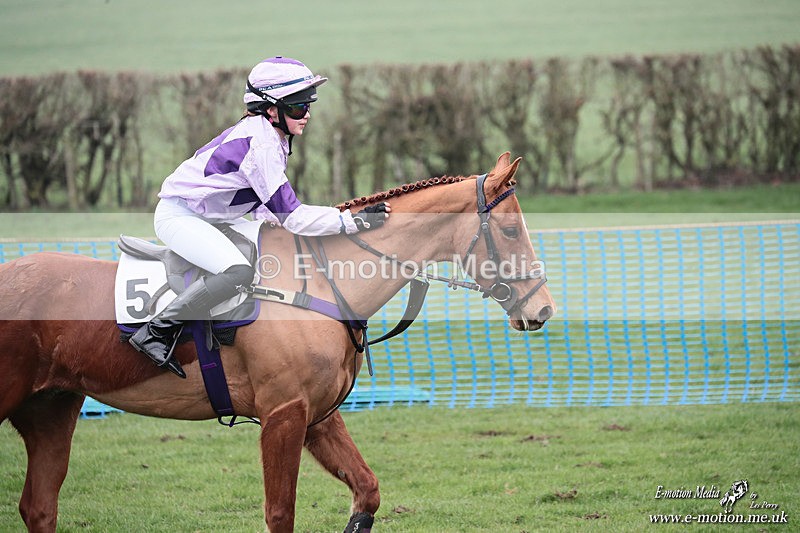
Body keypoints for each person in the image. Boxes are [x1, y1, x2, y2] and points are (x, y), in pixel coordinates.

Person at [129, 56, 390, 378]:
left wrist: (344, 218)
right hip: (181, 217)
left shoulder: (270, 136)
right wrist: (352, 221)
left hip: (213, 217)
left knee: (275, 250)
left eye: (308, 105)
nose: (306, 114)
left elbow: (270, 206)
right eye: (297, 107)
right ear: (270, 109)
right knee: (237, 271)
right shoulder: (262, 144)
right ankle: (157, 331)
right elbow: (293, 215)